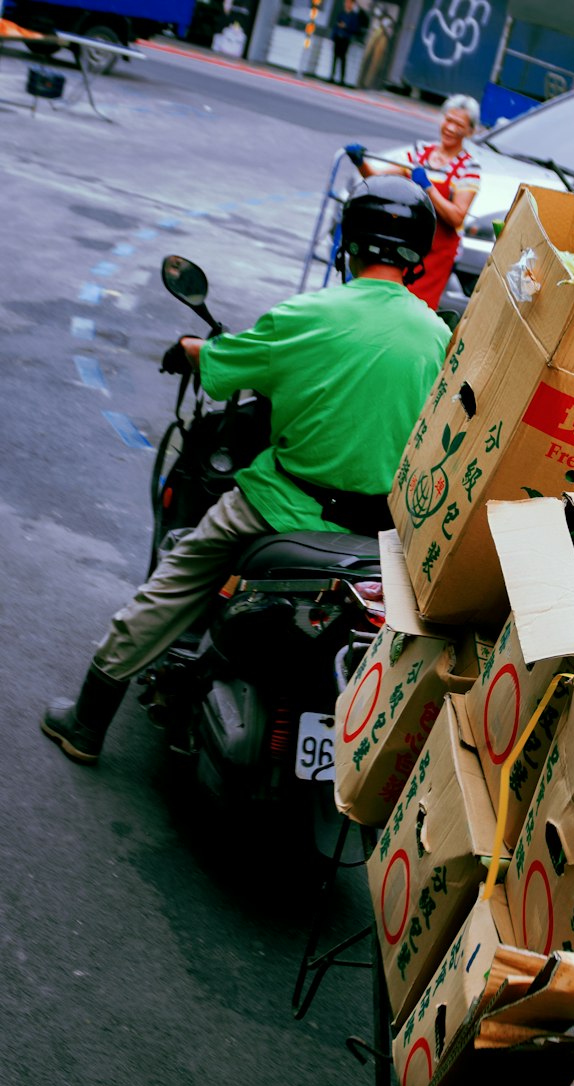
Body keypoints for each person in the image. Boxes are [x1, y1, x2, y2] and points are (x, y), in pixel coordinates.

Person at [42, 178, 447, 766]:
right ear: (418, 256)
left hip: (279, 509)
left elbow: (228, 366)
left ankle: (86, 721)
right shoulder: (438, 337)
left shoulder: (308, 314)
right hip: (377, 537)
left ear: (348, 245)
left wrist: (190, 348)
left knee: (176, 583)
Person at [356, 94, 481, 311]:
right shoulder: (420, 152)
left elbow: (456, 216)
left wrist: (428, 188)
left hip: (435, 258)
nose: (450, 128)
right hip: (402, 246)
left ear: (470, 131)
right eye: (448, 120)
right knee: (381, 302)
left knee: (414, 310)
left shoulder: (468, 168)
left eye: (458, 124)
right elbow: (376, 178)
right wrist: (359, 162)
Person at [329, 0, 364, 86]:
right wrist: (333, 37)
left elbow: (355, 29)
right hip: (338, 37)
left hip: (345, 38)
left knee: (343, 58)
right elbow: (336, 25)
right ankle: (332, 76)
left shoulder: (354, 16)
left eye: (349, 3)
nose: (347, 4)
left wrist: (346, 27)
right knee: (335, 57)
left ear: (352, 4)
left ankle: (342, 79)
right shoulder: (341, 13)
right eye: (346, 2)